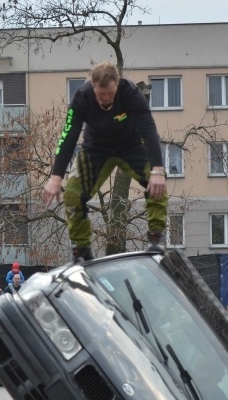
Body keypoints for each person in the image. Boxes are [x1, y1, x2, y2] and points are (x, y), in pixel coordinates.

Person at [42, 60, 168, 261]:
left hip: (131, 145)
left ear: (117, 84)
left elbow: (149, 129)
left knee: (157, 183)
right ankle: (81, 248)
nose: (106, 98)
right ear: (93, 87)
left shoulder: (131, 93)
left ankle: (155, 238)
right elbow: (69, 135)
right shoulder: (82, 97)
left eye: (110, 93)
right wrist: (56, 177)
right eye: (101, 94)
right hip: (96, 149)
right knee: (73, 194)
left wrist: (158, 170)